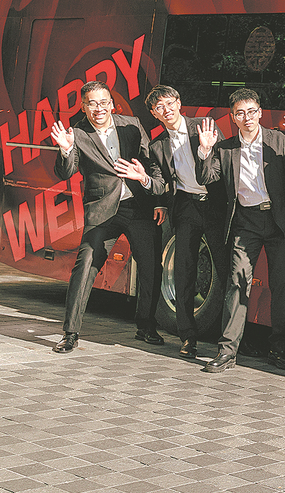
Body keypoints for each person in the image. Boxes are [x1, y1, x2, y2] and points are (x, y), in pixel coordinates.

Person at [195, 88, 285, 372]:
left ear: (260, 112)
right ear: (233, 117)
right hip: (245, 223)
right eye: (240, 113)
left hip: (280, 223)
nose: (247, 118)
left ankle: (279, 348)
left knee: (282, 285)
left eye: (252, 111)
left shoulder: (279, 141)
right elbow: (207, 178)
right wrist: (205, 151)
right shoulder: (225, 149)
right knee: (237, 283)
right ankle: (227, 351)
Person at [50, 81, 165, 353]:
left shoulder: (132, 125)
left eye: (103, 102)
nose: (99, 108)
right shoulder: (76, 133)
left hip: (138, 207)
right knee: (85, 264)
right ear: (83, 106)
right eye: (92, 103)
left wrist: (159, 200)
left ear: (112, 104)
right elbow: (64, 173)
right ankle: (70, 333)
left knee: (150, 267)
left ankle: (146, 327)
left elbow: (152, 164)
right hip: (103, 212)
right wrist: (66, 149)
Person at [146, 84, 222, 360]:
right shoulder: (157, 146)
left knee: (224, 272)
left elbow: (222, 168)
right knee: (184, 274)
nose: (165, 110)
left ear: (179, 102)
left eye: (168, 103)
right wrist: (156, 198)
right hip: (186, 208)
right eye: (158, 108)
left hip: (214, 208)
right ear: (155, 114)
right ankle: (188, 337)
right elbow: (157, 178)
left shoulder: (204, 128)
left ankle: (233, 337)